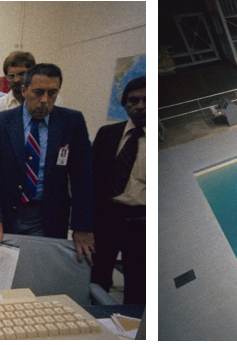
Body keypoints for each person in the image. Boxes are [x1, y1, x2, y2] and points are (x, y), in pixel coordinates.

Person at [0, 63, 95, 265]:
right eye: (38, 92)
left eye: (52, 93)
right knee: (5, 272)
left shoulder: (71, 122)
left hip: (49, 214)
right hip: (8, 213)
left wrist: (82, 226)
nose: (45, 100)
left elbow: (82, 177)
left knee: (42, 271)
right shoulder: (0, 122)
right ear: (24, 90)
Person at [91, 76, 146, 304]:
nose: (140, 106)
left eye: (147, 100)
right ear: (124, 104)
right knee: (97, 275)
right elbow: (91, 179)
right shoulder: (107, 134)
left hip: (141, 221)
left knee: (137, 283)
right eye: (133, 100)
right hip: (108, 217)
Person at [0, 51, 62, 123]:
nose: (16, 80)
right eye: (11, 76)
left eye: (21, 74)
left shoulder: (52, 99)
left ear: (33, 74)